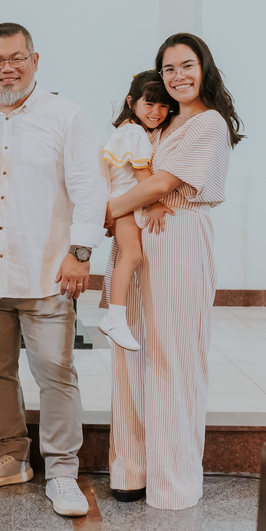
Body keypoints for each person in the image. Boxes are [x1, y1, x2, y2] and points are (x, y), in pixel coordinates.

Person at [0, 22, 107, 519]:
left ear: (35, 61)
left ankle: (62, 471)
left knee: (55, 374)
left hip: (46, 273)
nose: (6, 68)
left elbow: (89, 188)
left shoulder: (67, 116)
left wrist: (80, 253)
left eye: (16, 57)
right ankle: (10, 457)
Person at [104, 32, 243, 511]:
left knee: (173, 355)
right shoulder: (158, 122)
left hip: (178, 235)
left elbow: (164, 183)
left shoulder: (208, 124)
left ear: (204, 67)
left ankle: (173, 479)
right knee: (131, 352)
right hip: (140, 236)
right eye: (168, 69)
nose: (178, 76)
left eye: (187, 66)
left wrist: (107, 210)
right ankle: (131, 468)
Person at [97, 71, 174, 351]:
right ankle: (115, 317)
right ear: (131, 101)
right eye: (149, 104)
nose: (156, 112)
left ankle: (116, 315)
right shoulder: (134, 132)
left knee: (131, 255)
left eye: (164, 106)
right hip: (126, 203)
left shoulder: (129, 129)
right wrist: (154, 202)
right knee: (132, 255)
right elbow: (144, 173)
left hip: (123, 201)